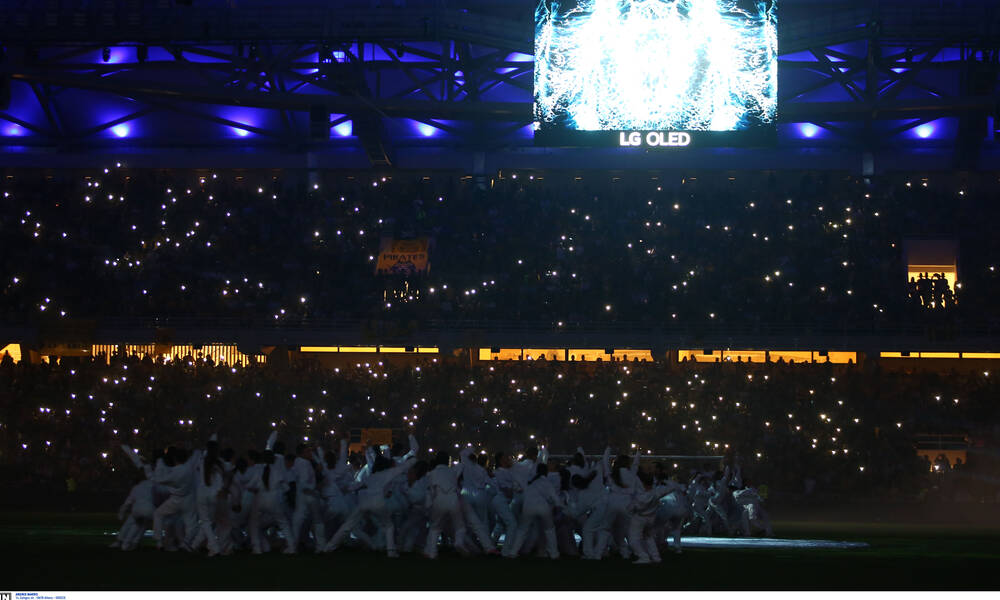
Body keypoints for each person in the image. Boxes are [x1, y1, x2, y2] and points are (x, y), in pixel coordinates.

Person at [503, 463, 561, 559]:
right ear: (546, 472)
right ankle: (554, 554)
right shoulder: (547, 483)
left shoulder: (529, 481)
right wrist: (558, 507)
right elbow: (554, 498)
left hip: (528, 507)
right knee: (550, 530)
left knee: (522, 530)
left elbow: (518, 488)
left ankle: (513, 552)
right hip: (543, 508)